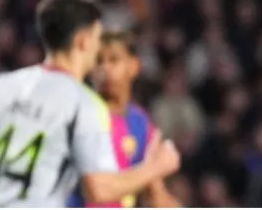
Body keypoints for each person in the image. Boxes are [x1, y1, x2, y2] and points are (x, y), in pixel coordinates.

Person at [0, 0, 181, 207]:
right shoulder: (83, 104)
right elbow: (99, 189)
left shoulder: (3, 85)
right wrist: (158, 166)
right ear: (83, 41)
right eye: (97, 38)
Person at [67, 31, 181, 207]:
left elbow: (155, 194)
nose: (105, 69)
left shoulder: (141, 123)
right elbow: (97, 190)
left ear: (134, 66)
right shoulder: (83, 115)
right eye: (98, 61)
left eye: (114, 60)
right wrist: (157, 167)